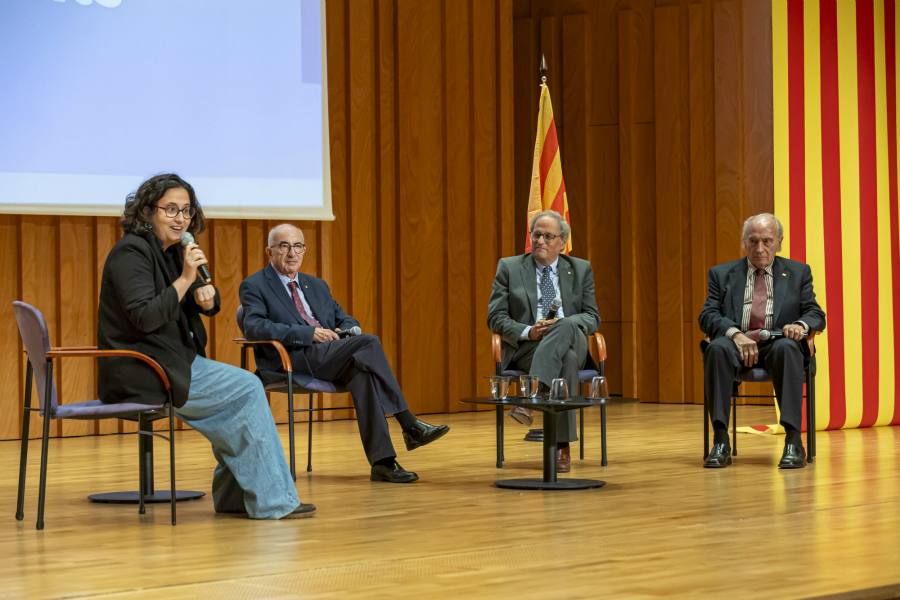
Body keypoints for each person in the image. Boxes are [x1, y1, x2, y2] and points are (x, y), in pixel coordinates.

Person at [97, 174, 314, 519]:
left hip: (171, 360)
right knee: (247, 388)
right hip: (143, 368)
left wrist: (205, 299)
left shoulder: (172, 251)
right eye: (170, 209)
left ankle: (235, 499)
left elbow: (194, 300)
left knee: (236, 404)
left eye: (186, 210)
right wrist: (186, 279)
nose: (180, 218)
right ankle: (273, 501)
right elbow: (145, 317)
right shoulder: (130, 253)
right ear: (147, 211)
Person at [238, 224, 449, 484]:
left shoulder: (316, 285)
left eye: (297, 246)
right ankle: (408, 423)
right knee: (369, 342)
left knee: (363, 373)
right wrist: (308, 333)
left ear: (304, 250)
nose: (292, 253)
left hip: (329, 355)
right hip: (292, 357)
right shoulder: (255, 285)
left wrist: (345, 330)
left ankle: (383, 463)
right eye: (284, 246)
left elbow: (346, 318)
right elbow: (254, 326)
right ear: (269, 251)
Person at [699, 212, 826, 469]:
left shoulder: (798, 272)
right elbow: (707, 315)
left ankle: (793, 440)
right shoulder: (721, 274)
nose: (759, 249)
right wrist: (735, 334)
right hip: (736, 344)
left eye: (767, 241)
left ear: (779, 242)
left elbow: (815, 314)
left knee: (788, 348)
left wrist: (801, 326)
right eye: (753, 241)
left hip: (777, 343)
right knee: (716, 349)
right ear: (744, 243)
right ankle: (721, 440)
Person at [487, 210, 601, 473]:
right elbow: (495, 317)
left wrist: (563, 324)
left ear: (562, 242)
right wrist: (529, 331)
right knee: (567, 360)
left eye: (548, 237)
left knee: (564, 325)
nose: (540, 241)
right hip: (529, 347)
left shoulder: (580, 269)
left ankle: (532, 395)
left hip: (572, 337)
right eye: (536, 235)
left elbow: (592, 316)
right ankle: (561, 446)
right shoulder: (510, 268)